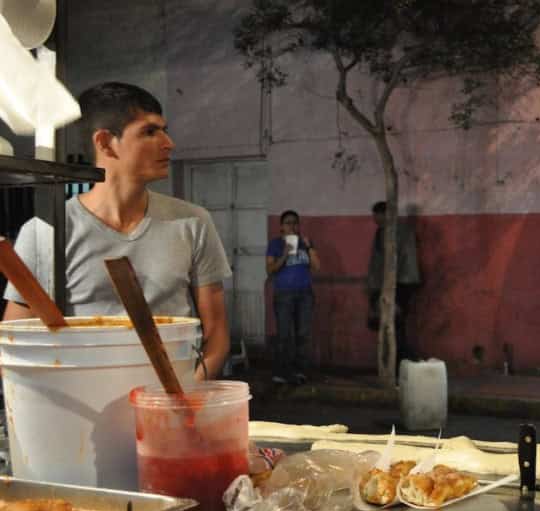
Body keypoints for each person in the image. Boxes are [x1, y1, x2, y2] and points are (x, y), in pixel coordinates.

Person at [2, 81, 231, 380]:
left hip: (170, 402)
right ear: (106, 142)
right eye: (150, 132)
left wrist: (182, 400)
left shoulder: (192, 223)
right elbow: (17, 342)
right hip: (84, 406)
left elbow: (216, 336)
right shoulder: (46, 231)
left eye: (164, 129)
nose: (168, 142)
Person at [265, 210, 320, 384]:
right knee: (284, 335)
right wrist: (285, 253)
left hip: (305, 295)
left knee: (302, 334)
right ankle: (281, 372)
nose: (292, 226)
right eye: (288, 223)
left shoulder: (306, 244)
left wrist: (310, 247)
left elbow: (317, 267)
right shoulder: (275, 244)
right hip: (284, 296)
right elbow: (270, 269)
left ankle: (299, 371)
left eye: (295, 223)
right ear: (281, 227)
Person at [365, 200, 422, 360]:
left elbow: (390, 261)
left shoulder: (389, 232)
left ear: (385, 215)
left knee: (394, 324)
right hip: (406, 281)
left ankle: (401, 361)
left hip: (397, 282)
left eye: (376, 215)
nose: (374, 219)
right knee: (398, 324)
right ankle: (401, 361)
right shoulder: (402, 230)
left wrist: (381, 286)